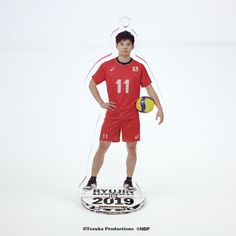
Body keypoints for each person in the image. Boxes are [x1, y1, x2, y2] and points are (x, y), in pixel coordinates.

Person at [83, 31, 164, 191]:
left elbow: (149, 89)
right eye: (122, 44)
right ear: (116, 45)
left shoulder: (139, 67)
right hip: (112, 115)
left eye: (128, 44)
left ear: (133, 46)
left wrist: (159, 108)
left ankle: (128, 180)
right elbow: (92, 84)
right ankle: (92, 179)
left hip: (131, 116)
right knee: (102, 147)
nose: (125, 47)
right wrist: (101, 102)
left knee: (132, 148)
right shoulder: (107, 66)